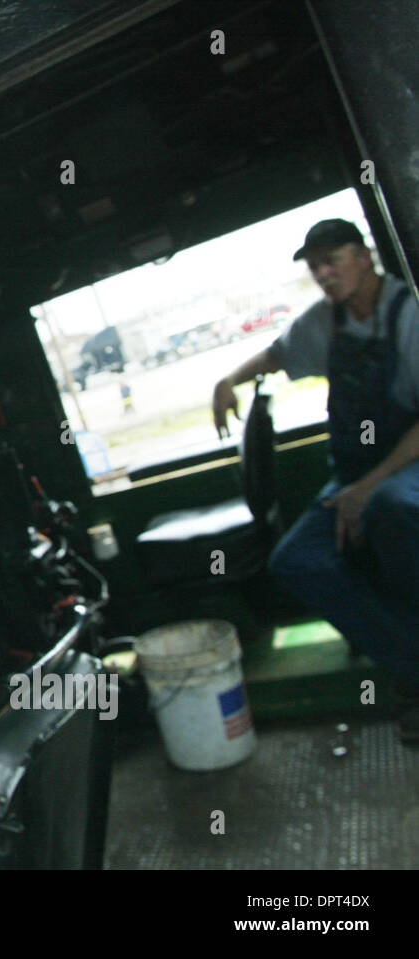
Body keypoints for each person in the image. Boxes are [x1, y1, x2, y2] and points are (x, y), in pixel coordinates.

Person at [211, 218, 419, 744]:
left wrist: (366, 490)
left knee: (394, 508)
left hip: (404, 466)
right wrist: (227, 380)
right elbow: (278, 354)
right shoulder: (325, 323)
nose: (324, 274)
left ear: (364, 256)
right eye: (314, 266)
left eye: (333, 260)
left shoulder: (408, 312)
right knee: (295, 560)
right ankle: (412, 667)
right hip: (351, 476)